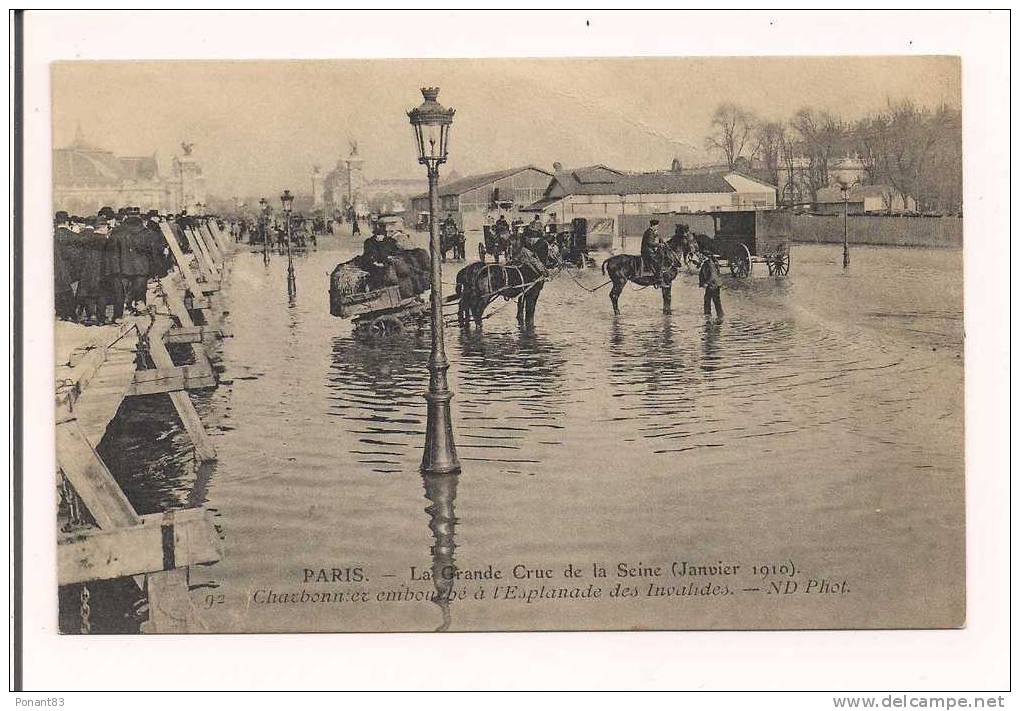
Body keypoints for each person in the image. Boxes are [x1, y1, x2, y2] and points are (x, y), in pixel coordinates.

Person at [698, 251, 724, 323]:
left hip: (712, 285)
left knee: (708, 300)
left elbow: (712, 275)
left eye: (702, 255)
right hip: (715, 284)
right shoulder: (710, 262)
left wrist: (706, 283)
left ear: (706, 256)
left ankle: (708, 315)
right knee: (715, 301)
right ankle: (720, 316)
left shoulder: (708, 263)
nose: (700, 257)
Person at [640, 218, 666, 286]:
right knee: (657, 261)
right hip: (647, 251)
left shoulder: (652, 232)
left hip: (649, 250)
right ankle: (658, 278)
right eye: (656, 226)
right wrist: (659, 244)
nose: (657, 227)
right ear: (653, 226)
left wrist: (658, 237)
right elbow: (649, 243)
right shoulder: (649, 232)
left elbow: (655, 239)